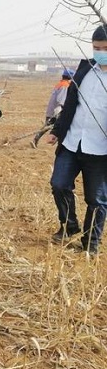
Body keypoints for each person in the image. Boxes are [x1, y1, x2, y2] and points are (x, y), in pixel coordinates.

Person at [48, 24, 107, 255]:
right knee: (59, 184)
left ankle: (90, 245)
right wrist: (58, 131)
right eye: (96, 47)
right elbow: (72, 104)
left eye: (104, 48)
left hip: (100, 150)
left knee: (97, 200)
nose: (99, 51)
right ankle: (69, 225)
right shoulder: (85, 70)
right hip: (73, 142)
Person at [31, 69, 74, 148]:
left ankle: (35, 140)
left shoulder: (60, 84)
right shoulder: (65, 86)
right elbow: (61, 100)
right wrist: (60, 111)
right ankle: (35, 140)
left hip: (51, 110)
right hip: (56, 111)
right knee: (55, 127)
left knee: (47, 126)